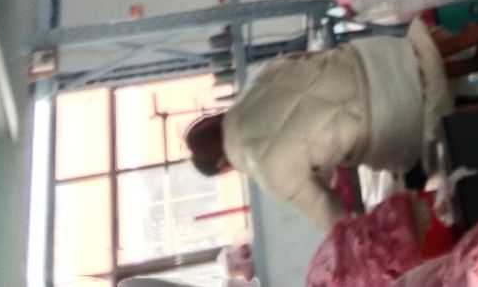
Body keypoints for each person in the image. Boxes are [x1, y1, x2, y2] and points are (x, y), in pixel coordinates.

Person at [184, 22, 453, 230]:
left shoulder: (266, 171)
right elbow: (312, 67)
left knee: (420, 177)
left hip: (395, 115)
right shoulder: (258, 78)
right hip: (382, 55)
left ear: (222, 166)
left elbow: (329, 213)